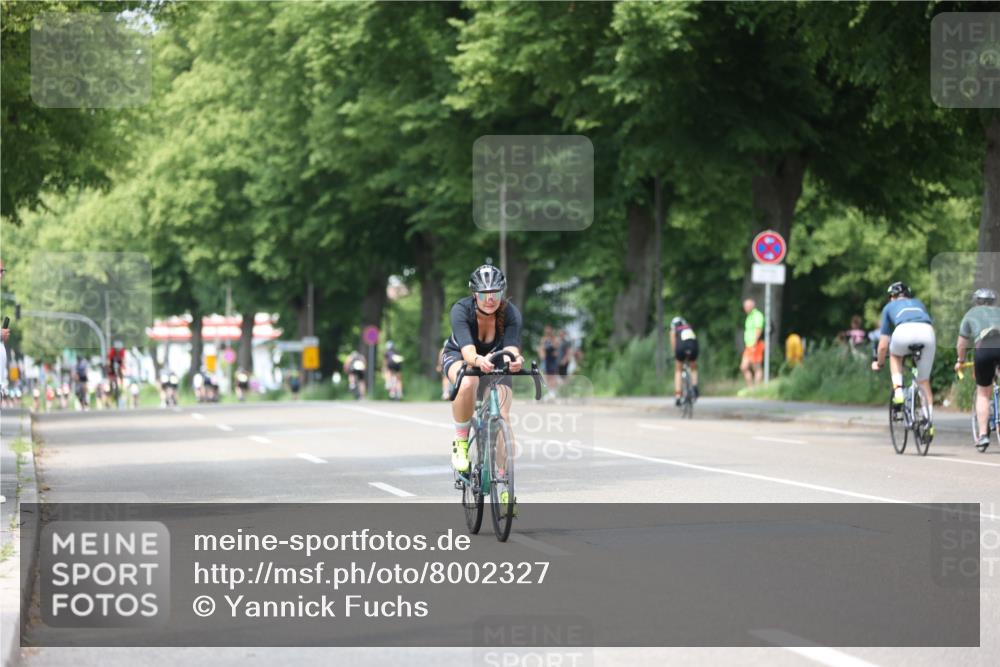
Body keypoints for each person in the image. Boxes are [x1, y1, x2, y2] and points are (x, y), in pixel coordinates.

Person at [441, 262, 524, 514]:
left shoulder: (510, 313)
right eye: (484, 294)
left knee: (504, 417)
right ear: (474, 294)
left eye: (495, 293)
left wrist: (515, 360)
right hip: (461, 357)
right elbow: (467, 350)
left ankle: (505, 484)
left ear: (502, 293)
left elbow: (511, 347)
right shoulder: (461, 310)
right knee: (469, 381)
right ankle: (461, 443)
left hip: (495, 361)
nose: (490, 299)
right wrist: (478, 360)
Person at [871, 281, 935, 439]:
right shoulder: (919, 303)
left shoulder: (888, 307)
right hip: (927, 332)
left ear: (892, 297)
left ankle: (898, 391)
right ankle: (928, 423)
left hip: (903, 331)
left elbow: (883, 345)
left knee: (895, 355)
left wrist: (879, 362)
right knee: (923, 381)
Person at [955, 287, 1000, 449]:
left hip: (985, 348)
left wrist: (960, 360)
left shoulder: (971, 314)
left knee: (982, 393)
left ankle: (982, 435)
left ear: (976, 302)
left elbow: (962, 344)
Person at [670, 316, 699, 405]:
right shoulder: (689, 327)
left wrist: (675, 354)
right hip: (693, 347)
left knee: (678, 370)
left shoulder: (674, 330)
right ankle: (694, 388)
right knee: (693, 367)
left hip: (681, 348)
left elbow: (674, 343)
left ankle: (678, 396)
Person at [740, 298, 765, 386]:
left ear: (752, 306)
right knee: (744, 367)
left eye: (747, 306)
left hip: (756, 344)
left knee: (756, 367)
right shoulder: (749, 316)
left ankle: (757, 389)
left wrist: (755, 343)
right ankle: (750, 388)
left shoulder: (757, 315)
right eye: (745, 307)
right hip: (748, 345)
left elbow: (758, 329)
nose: (745, 308)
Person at [537, 325, 558, 393]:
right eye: (547, 331)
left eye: (549, 331)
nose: (548, 332)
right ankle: (548, 391)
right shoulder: (543, 339)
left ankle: (553, 391)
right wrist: (541, 355)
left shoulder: (554, 339)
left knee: (552, 375)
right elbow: (541, 348)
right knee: (545, 375)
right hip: (546, 360)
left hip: (552, 360)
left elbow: (557, 348)